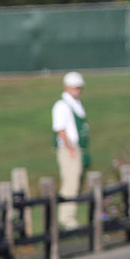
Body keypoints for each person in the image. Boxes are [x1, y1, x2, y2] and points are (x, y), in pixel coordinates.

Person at [52, 71, 89, 228]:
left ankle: (70, 217)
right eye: (74, 87)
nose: (77, 89)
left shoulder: (76, 103)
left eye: (79, 87)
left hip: (77, 148)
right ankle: (67, 219)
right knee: (70, 183)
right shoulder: (62, 105)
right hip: (69, 148)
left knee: (76, 182)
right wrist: (70, 148)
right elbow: (60, 129)